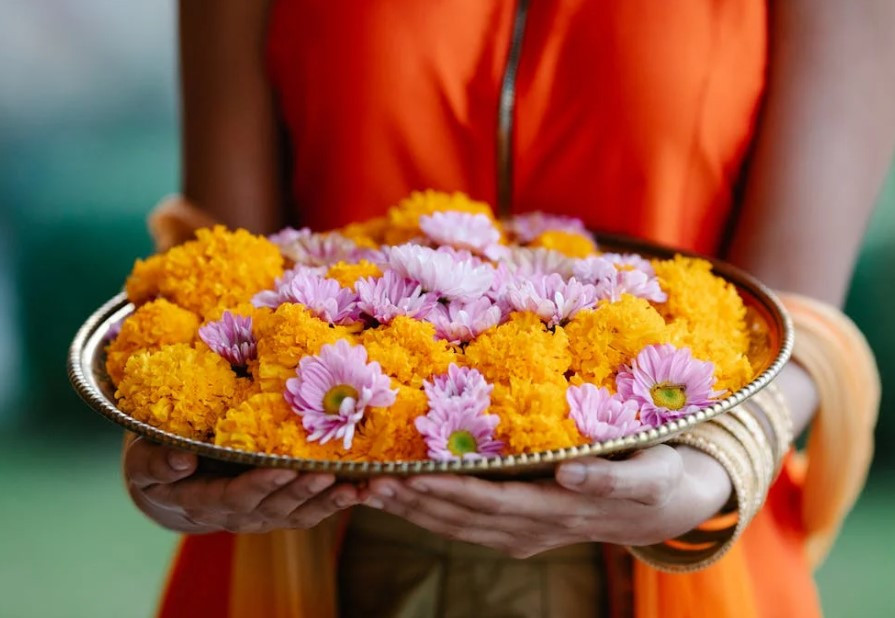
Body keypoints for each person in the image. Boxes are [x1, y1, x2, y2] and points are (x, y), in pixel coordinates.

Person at [123, 1, 891, 616]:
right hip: (311, 535)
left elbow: (792, 315)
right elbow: (224, 276)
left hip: (663, 552)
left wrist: (710, 468)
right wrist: (179, 457)